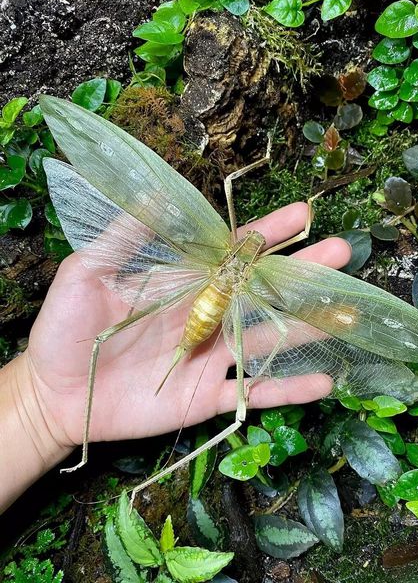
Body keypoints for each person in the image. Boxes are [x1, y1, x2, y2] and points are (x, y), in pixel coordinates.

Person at [0, 202, 351, 513]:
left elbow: (294, 235)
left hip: (209, 296)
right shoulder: (250, 269)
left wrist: (38, 404)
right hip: (212, 303)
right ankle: (121, 475)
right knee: (103, 340)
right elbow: (298, 233)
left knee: (243, 404)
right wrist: (38, 400)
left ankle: (138, 485)